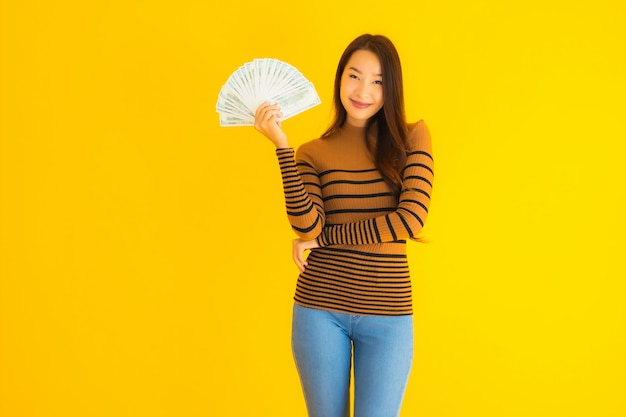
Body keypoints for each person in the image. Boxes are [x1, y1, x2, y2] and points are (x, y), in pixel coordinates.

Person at [254, 33, 434, 417]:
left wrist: (325, 241)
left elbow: (410, 219)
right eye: (354, 76)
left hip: (387, 313)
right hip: (319, 309)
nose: (363, 90)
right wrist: (282, 148)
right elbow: (307, 226)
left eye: (377, 80)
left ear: (392, 87)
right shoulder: (313, 152)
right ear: (339, 79)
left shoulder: (412, 136)